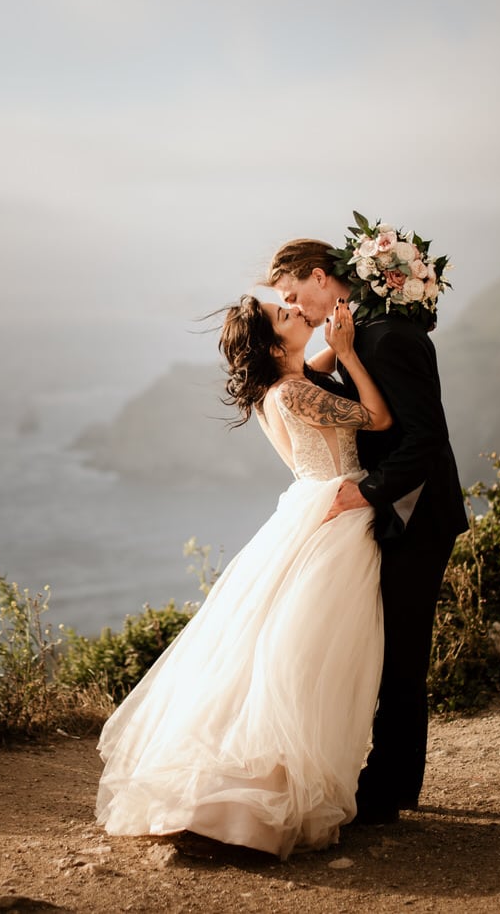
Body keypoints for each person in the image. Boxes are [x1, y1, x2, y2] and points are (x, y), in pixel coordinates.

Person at [95, 295, 393, 858]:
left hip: (307, 506)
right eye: (288, 316)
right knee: (308, 659)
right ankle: (254, 806)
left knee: (275, 651)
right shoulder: (298, 391)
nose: (300, 314)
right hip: (337, 514)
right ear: (277, 344)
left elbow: (315, 361)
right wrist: (352, 356)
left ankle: (237, 797)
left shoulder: (275, 390)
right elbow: (378, 418)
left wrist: (335, 338)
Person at [267, 237, 470, 823]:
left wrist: (366, 490)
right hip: (392, 513)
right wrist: (330, 354)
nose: (295, 306)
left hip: (417, 513)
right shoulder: (363, 333)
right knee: (385, 652)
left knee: (402, 656)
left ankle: (389, 795)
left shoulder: (387, 337)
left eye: (292, 294)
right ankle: (387, 786)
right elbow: (328, 399)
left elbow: (426, 437)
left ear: (318, 276)